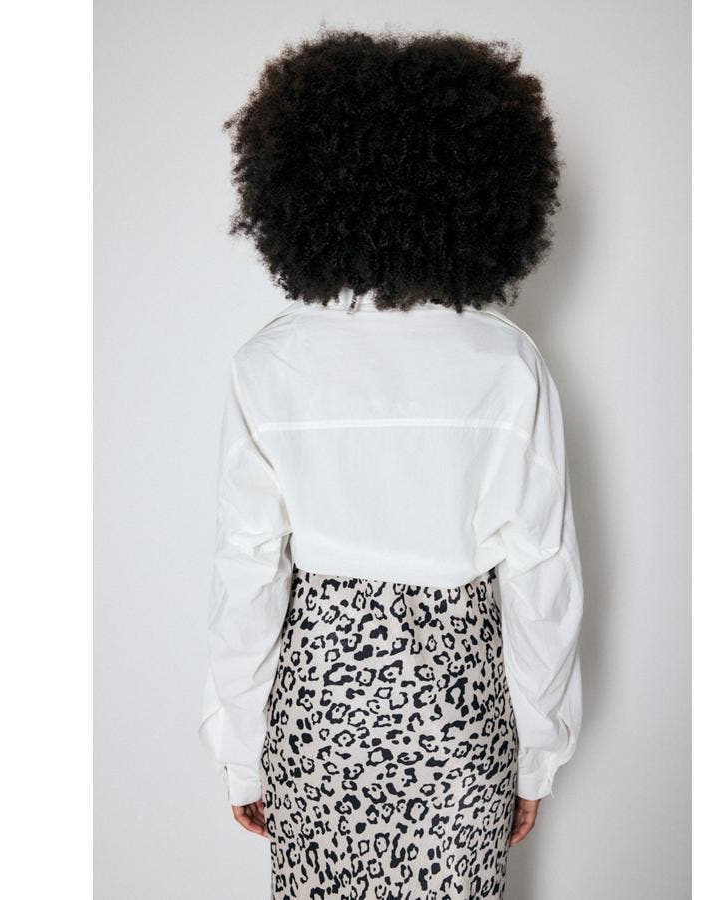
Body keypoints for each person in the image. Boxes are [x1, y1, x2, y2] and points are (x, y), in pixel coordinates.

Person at [199, 28, 583, 899]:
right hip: (459, 711)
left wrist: (239, 749)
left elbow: (247, 573)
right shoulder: (506, 363)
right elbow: (542, 580)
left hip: (319, 716)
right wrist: (538, 750)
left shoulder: (270, 363)